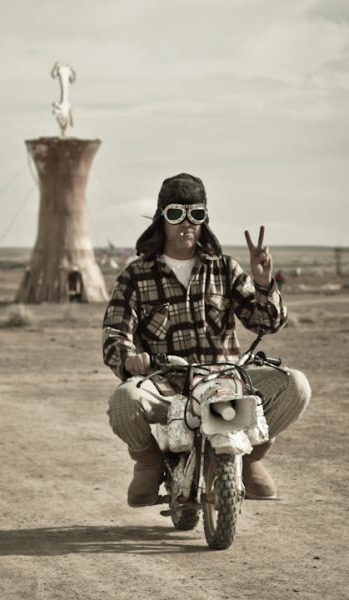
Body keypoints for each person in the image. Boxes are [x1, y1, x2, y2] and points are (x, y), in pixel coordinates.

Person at [102, 173, 311, 507]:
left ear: (204, 219)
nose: (186, 224)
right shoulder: (135, 275)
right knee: (124, 399)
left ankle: (251, 457)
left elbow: (266, 323)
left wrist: (263, 282)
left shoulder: (225, 268)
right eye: (175, 214)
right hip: (167, 386)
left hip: (225, 382)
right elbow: (115, 332)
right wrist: (129, 357)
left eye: (195, 215)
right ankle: (149, 463)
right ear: (161, 218)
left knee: (296, 385)